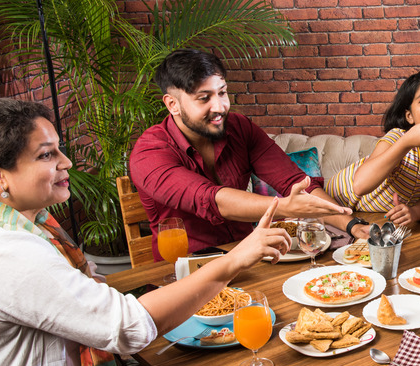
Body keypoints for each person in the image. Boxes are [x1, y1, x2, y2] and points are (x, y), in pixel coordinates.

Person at [0, 98, 292, 366]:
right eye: (46, 155)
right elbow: (127, 327)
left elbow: (92, 296)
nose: (66, 162)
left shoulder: (32, 224)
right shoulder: (5, 251)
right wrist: (232, 261)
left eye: (59, 150)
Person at [130, 49, 368, 260]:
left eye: (222, 93)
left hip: (249, 258)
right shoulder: (149, 152)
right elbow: (210, 199)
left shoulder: (239, 127)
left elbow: (294, 183)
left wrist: (353, 226)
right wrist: (287, 207)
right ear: (172, 104)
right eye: (204, 98)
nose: (220, 107)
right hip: (186, 270)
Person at [326, 68, 420, 226]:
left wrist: (414, 213)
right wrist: (406, 143)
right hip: (335, 200)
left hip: (372, 215)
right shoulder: (398, 137)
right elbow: (359, 186)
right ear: (409, 116)